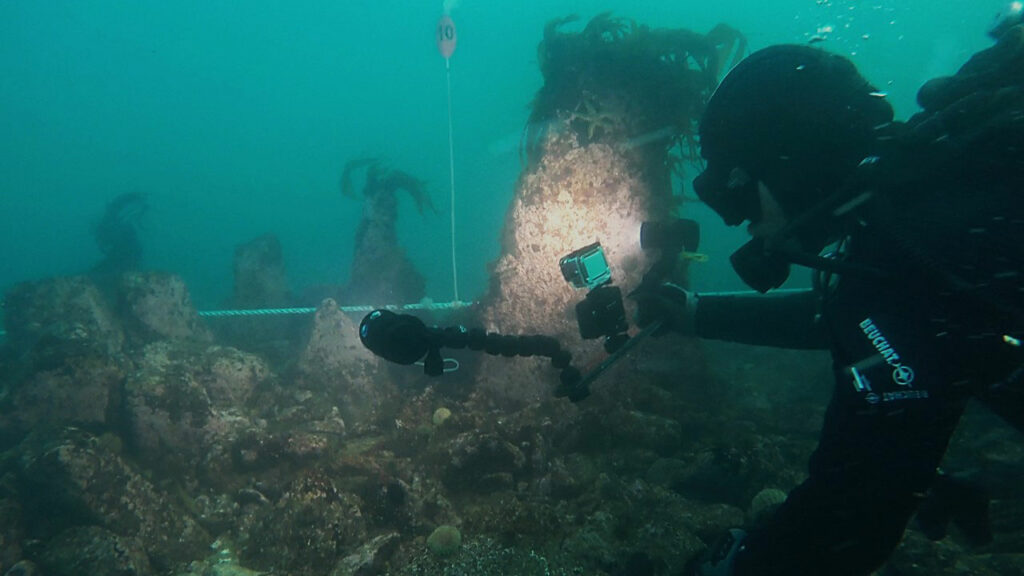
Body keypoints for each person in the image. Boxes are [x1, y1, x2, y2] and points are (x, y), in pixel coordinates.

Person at [634, 36, 1024, 576]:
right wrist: (698, 312)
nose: (736, 220)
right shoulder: (929, 205)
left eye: (742, 188)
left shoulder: (934, 239)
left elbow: (848, 523)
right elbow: (857, 311)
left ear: (793, 167)